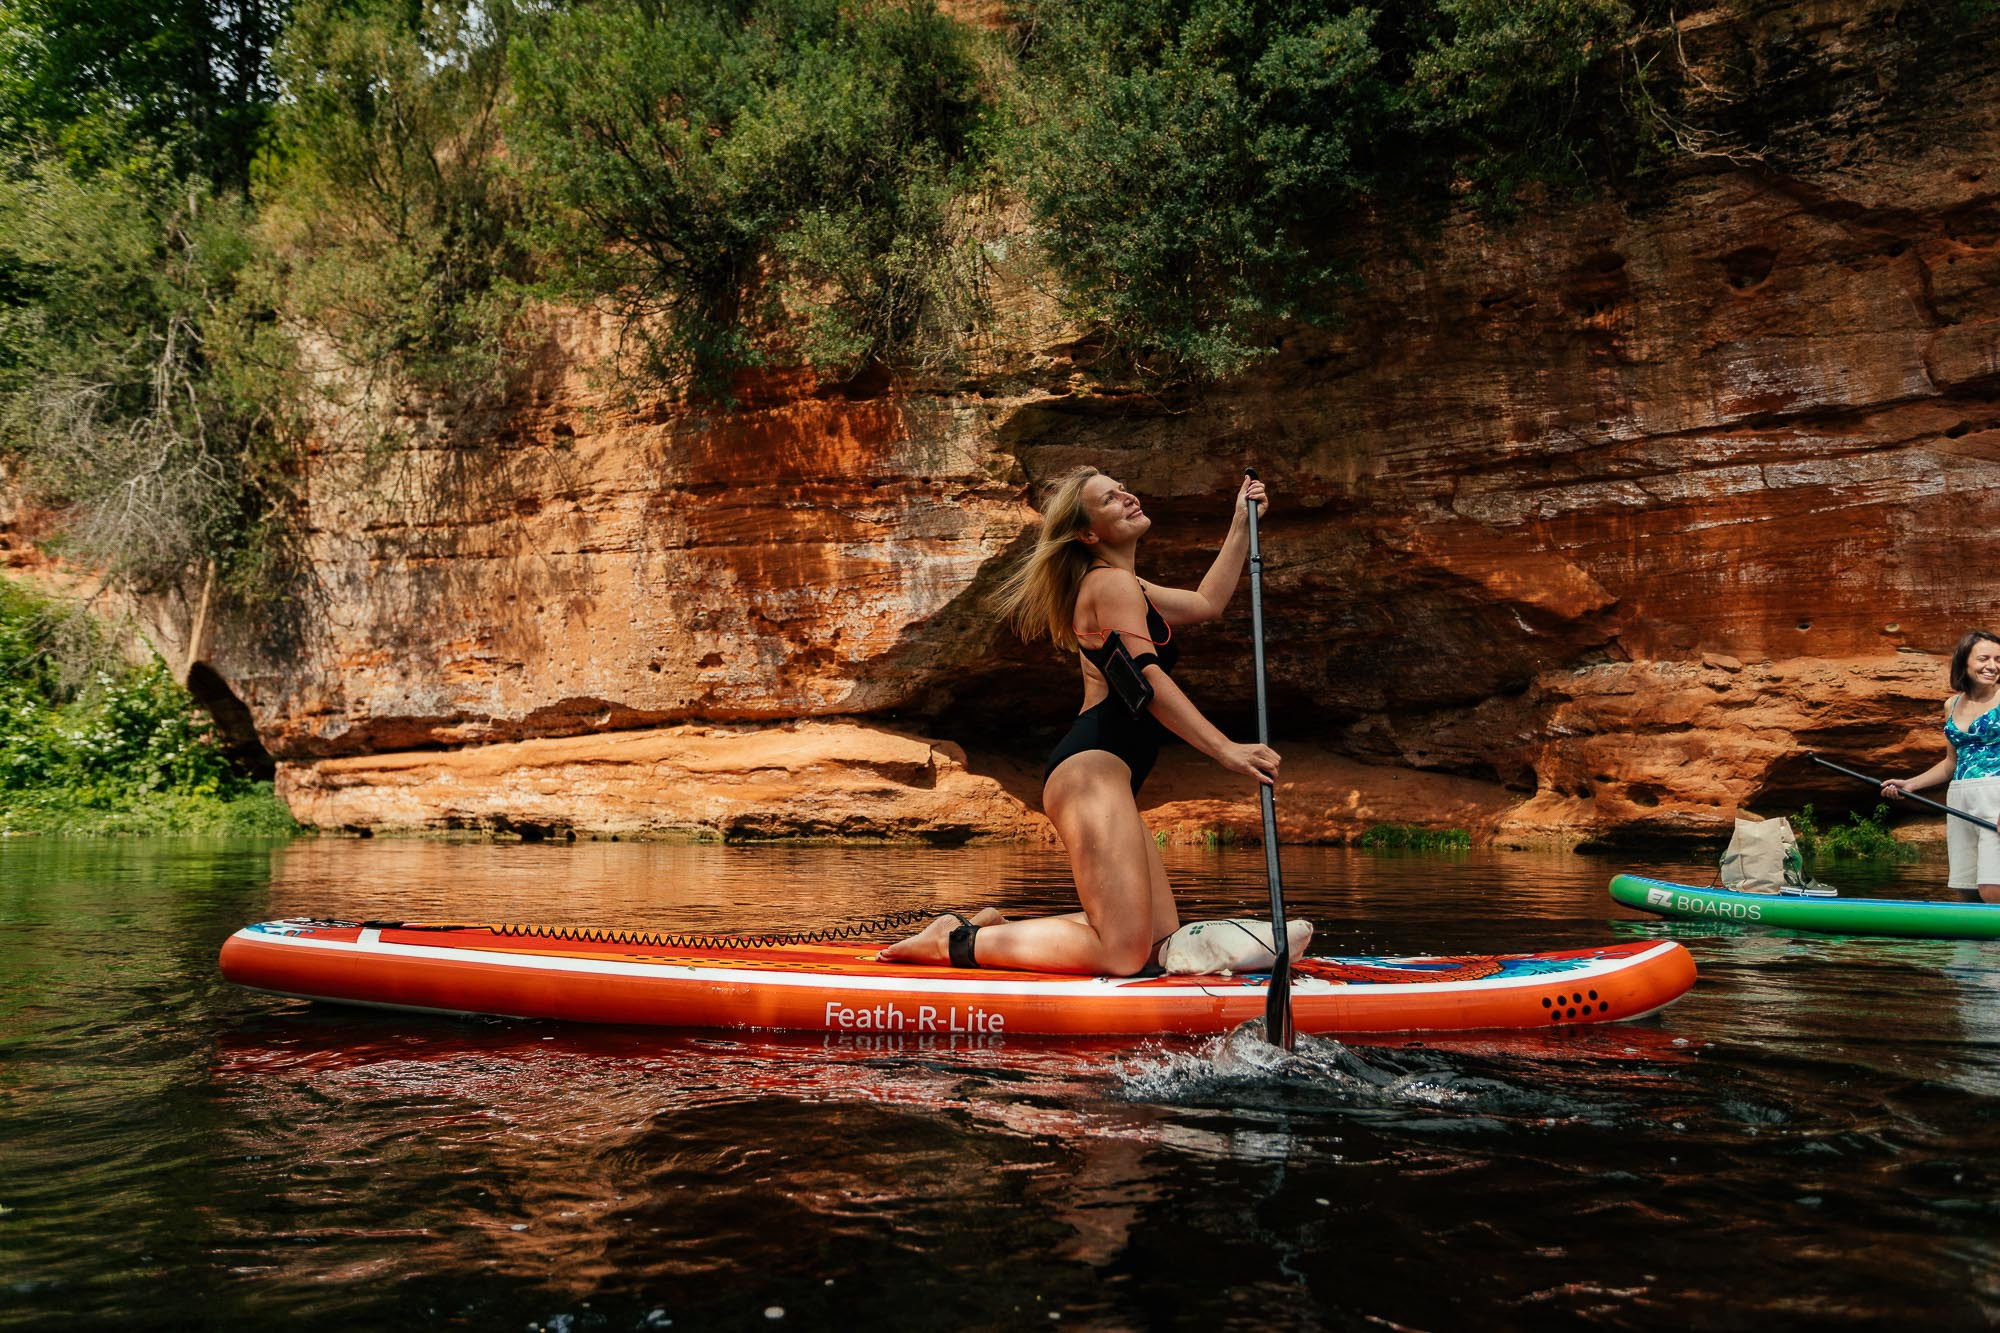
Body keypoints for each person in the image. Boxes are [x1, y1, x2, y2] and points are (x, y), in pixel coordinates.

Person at [881, 467, 1281, 975]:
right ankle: (958, 941)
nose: (1129, 497)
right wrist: (1226, 749)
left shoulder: (1127, 585)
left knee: (1157, 941)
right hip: (1091, 773)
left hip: (1108, 776)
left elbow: (1206, 604)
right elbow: (1145, 678)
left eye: (1123, 489)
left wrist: (1240, 526)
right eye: (1110, 499)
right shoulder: (1107, 584)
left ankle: (989, 930)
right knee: (1122, 953)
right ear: (1089, 534)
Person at [1883, 629, 2000, 901]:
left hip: (1997, 798)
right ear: (1965, 661)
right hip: (1961, 798)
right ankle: (1973, 946)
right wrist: (1911, 784)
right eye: (1984, 658)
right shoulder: (1952, 704)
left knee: (1993, 889)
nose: (1992, 666)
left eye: (1998, 659)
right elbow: (1951, 763)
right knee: (1966, 889)